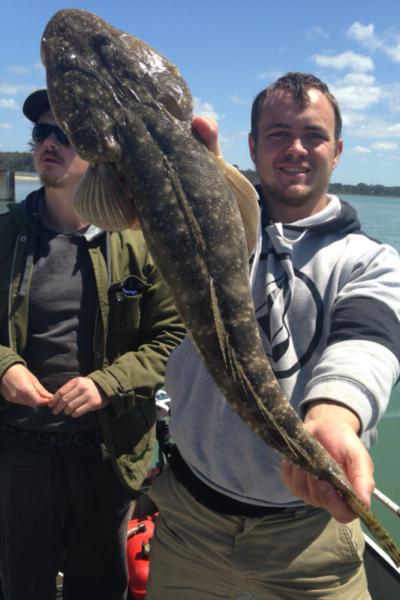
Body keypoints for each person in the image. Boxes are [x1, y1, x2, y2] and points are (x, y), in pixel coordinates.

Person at [146, 73, 400, 599]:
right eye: (279, 133)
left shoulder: (372, 261)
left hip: (312, 540)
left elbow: (369, 342)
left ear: (339, 150)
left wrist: (333, 413)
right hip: (189, 523)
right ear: (253, 145)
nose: (297, 148)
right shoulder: (202, 221)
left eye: (314, 134)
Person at [0, 89, 185, 600]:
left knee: (102, 589)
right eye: (41, 132)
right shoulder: (3, 237)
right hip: (18, 456)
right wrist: (3, 366)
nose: (49, 142)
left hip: (106, 457)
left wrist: (107, 384)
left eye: (67, 133)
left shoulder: (141, 242)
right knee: (21, 587)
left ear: (99, 151)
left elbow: (173, 337)